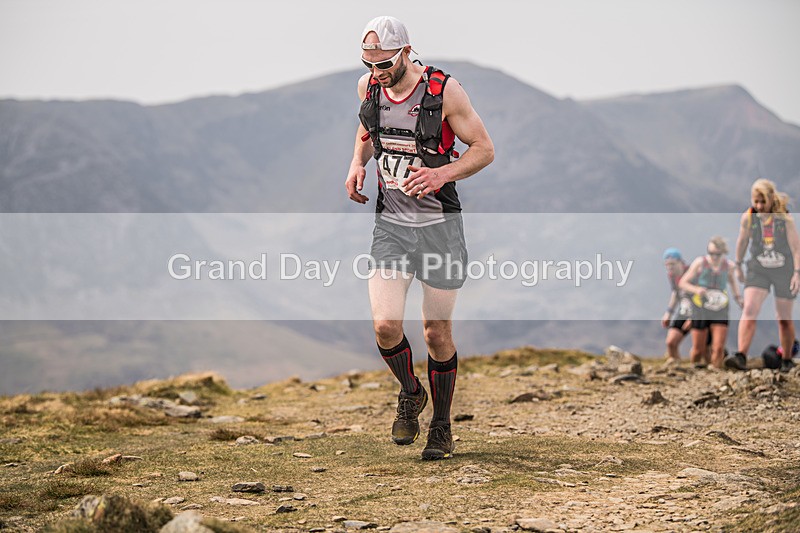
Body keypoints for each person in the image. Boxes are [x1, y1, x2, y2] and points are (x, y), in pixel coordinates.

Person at [344, 16, 494, 460]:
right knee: (386, 326)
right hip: (391, 225)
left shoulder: (444, 91)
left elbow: (484, 148)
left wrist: (440, 174)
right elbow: (368, 128)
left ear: (406, 51)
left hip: (439, 229)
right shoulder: (368, 87)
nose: (378, 72)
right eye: (369, 63)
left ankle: (442, 427)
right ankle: (411, 392)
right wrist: (356, 162)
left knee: (435, 332)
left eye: (385, 63)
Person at [728, 179, 800, 373]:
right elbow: (742, 242)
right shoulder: (749, 217)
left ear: (770, 199)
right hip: (758, 267)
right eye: (755, 201)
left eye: (762, 202)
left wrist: (797, 273)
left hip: (783, 268)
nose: (759, 206)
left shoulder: (784, 219)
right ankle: (741, 355)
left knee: (783, 317)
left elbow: (796, 248)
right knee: (750, 308)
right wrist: (738, 264)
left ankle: (786, 359)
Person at [679, 237, 743, 369]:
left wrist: (739, 300)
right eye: (711, 253)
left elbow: (733, 284)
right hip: (701, 307)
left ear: (723, 253)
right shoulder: (700, 263)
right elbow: (682, 283)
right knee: (698, 349)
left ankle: (716, 373)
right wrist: (696, 289)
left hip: (720, 308)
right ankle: (694, 372)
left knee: (718, 347)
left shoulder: (729, 266)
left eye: (717, 254)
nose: (713, 257)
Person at [661, 248, 694, 364]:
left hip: (699, 313)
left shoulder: (692, 274)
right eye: (667, 265)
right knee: (671, 342)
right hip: (684, 311)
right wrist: (668, 313)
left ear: (680, 262)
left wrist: (693, 318)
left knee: (699, 352)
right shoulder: (672, 276)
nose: (670, 267)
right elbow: (676, 293)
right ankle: (677, 368)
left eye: (673, 264)